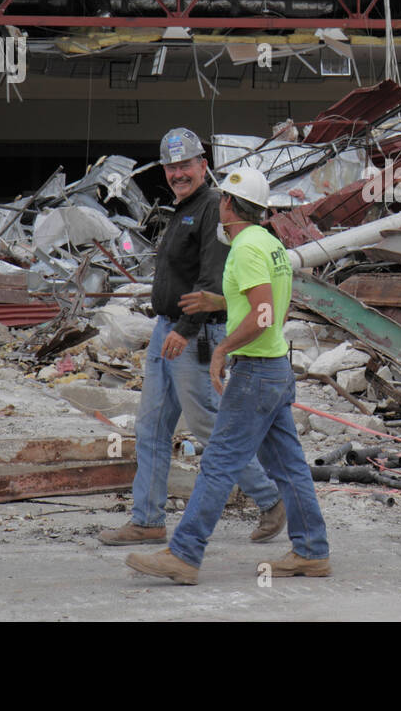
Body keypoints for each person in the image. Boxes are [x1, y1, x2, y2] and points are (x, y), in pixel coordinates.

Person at [125, 167, 330, 584]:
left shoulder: (246, 249)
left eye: (221, 201)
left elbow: (262, 313)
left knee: (218, 463)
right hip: (275, 368)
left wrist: (222, 348)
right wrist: (219, 300)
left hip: (255, 373)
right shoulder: (270, 244)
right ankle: (312, 551)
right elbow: (272, 305)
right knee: (289, 465)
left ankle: (184, 554)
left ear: (228, 205)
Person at [98, 129, 286, 548]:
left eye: (186, 165)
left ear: (203, 165)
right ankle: (147, 520)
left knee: (208, 426)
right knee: (151, 427)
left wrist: (184, 331)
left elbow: (211, 280)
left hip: (193, 334)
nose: (178, 173)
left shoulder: (212, 211)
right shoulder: (182, 208)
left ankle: (272, 499)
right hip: (167, 331)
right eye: (171, 166)